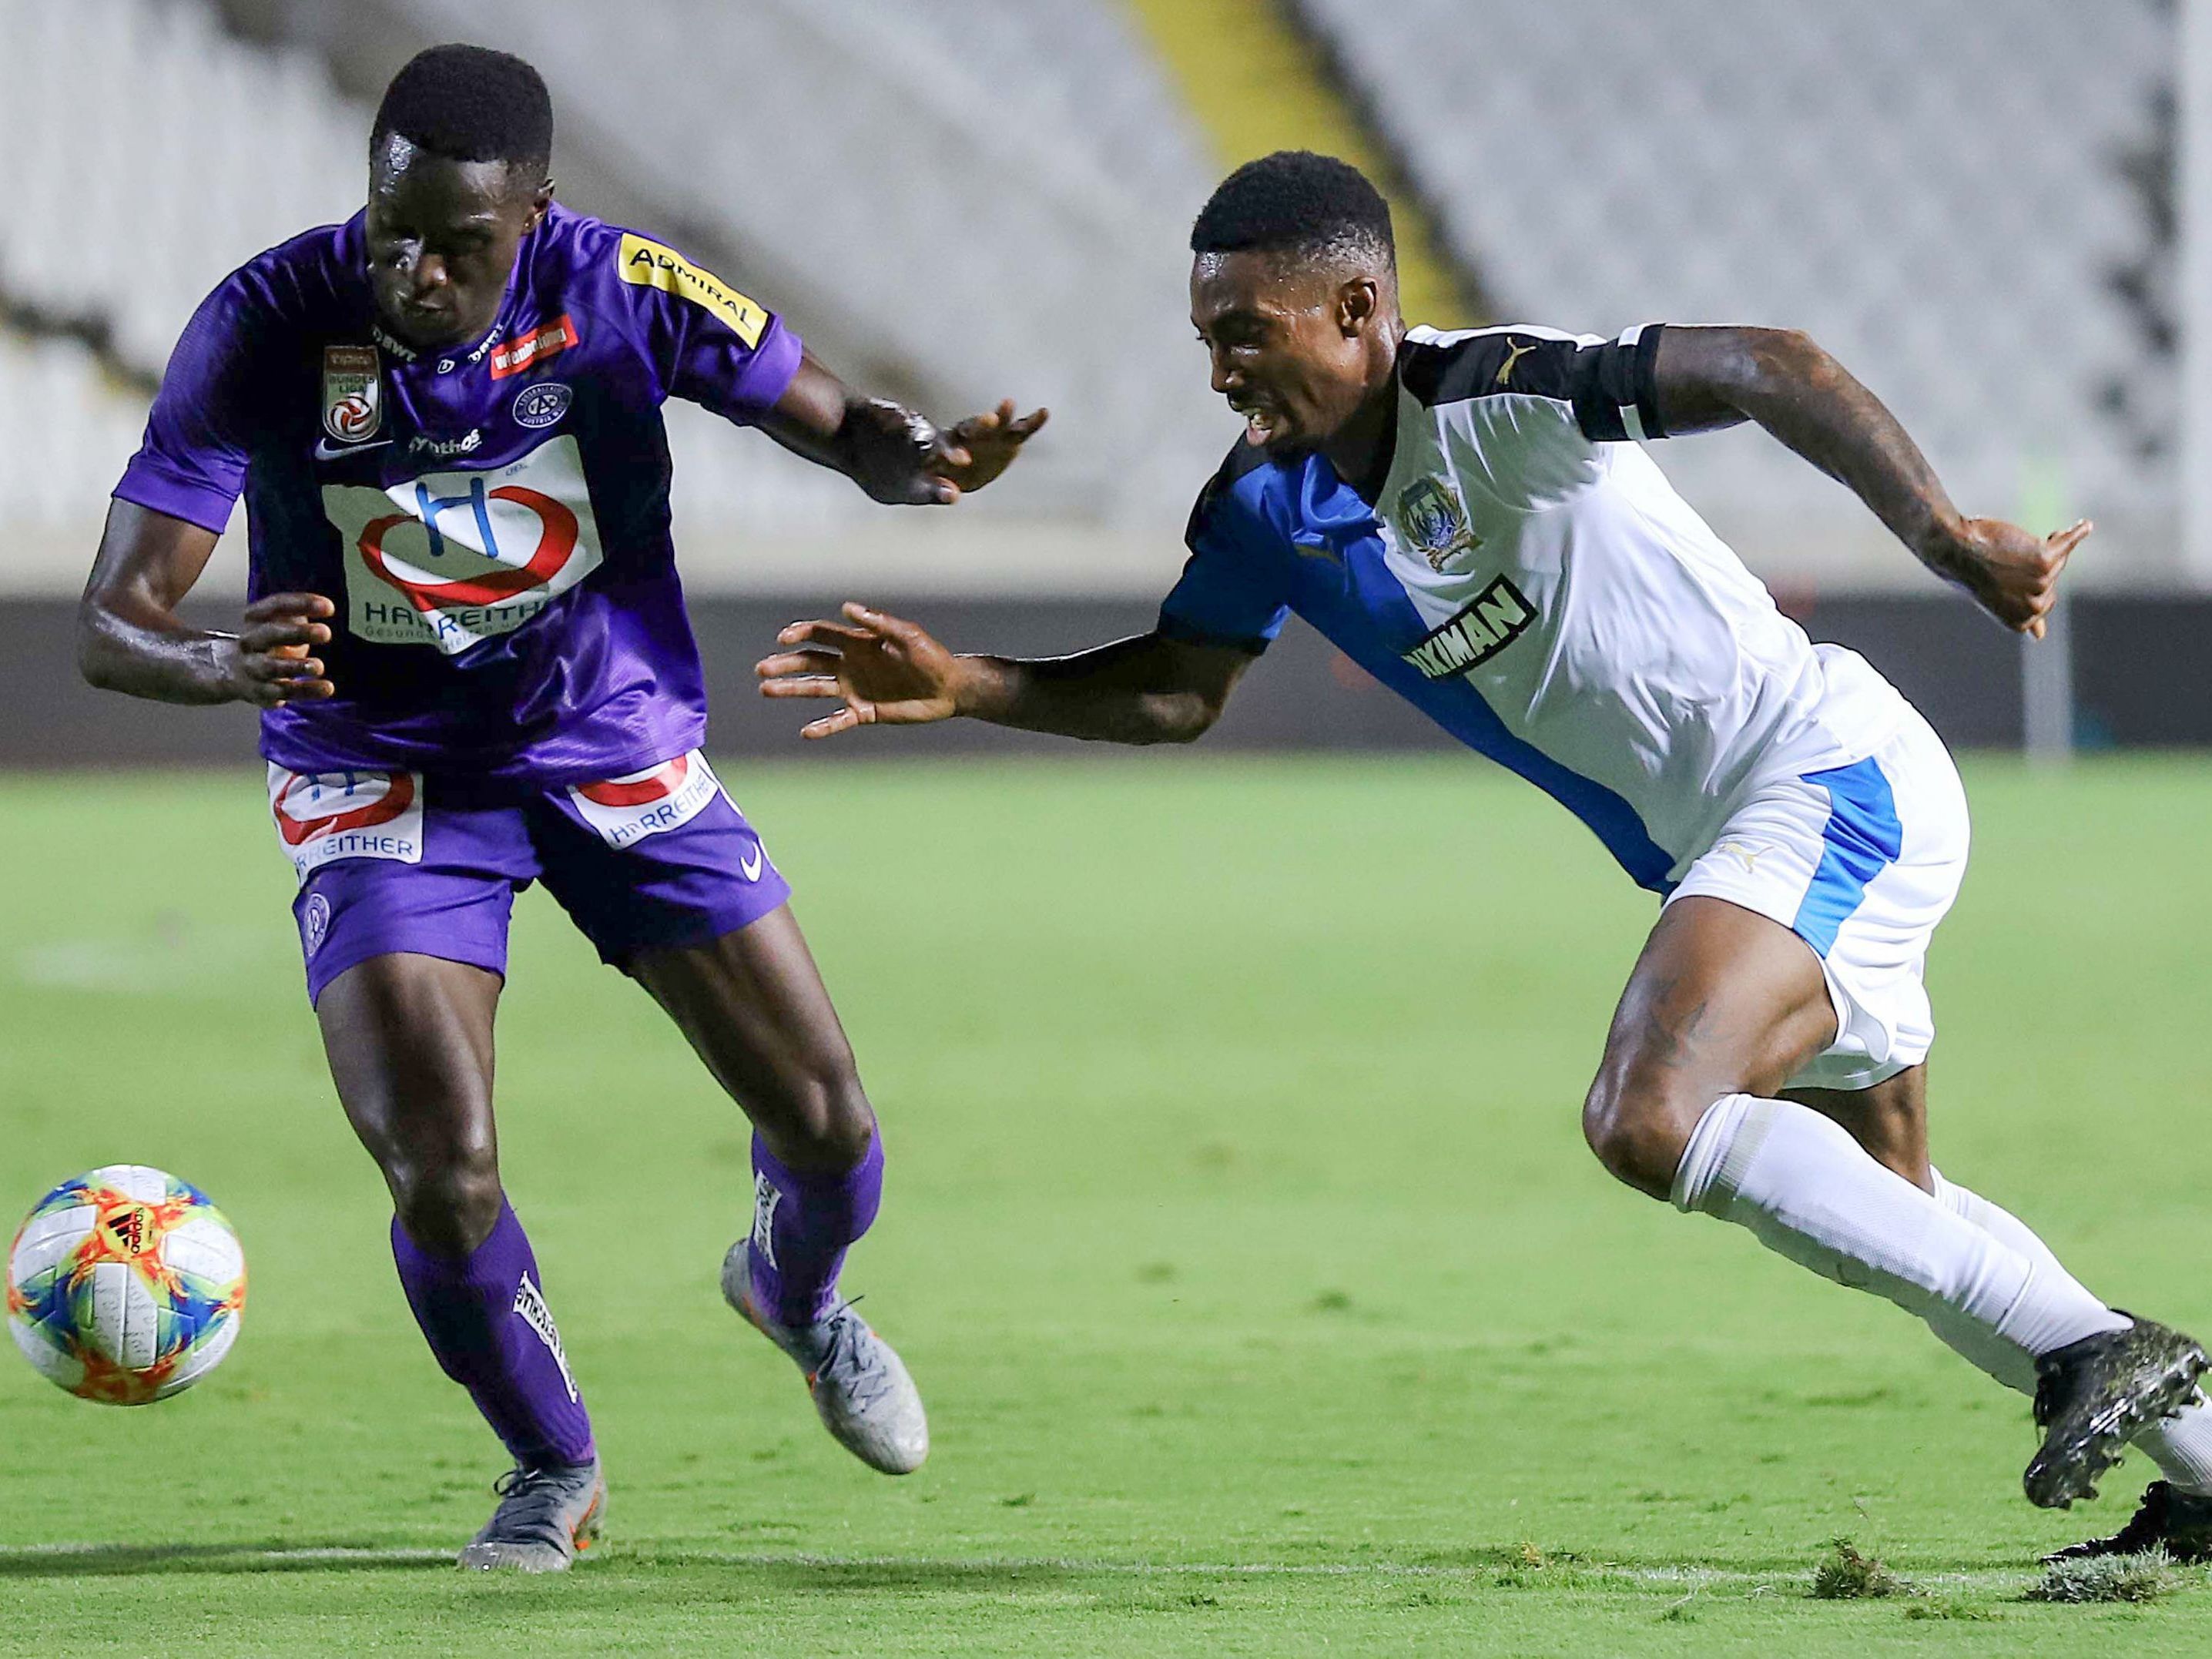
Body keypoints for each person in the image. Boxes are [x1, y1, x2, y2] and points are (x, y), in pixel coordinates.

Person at [756, 149, 2211, 1559]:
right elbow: (1181, 688)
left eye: (1245, 334)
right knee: (1894, 1200)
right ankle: (2203, 1455)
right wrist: (973, 684)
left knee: (1650, 1112)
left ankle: (2091, 1343)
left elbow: (1775, 364)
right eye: (1205, 340)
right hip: (1737, 841)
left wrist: (1948, 536)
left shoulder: (1497, 392)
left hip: (1826, 777)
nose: (1221, 373)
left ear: (1359, 311)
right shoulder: (1262, 506)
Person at [79, 44, 1045, 1572]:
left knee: (827, 1121)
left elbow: (833, 416)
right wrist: (210, 660)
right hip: (375, 767)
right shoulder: (266, 318)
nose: (415, 273)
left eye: (458, 247)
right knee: (438, 1161)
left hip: (604, 734)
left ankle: (793, 1295)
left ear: (535, 215)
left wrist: (908, 459)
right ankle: (552, 1463)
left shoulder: (627, 285)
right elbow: (110, 619)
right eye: (392, 231)